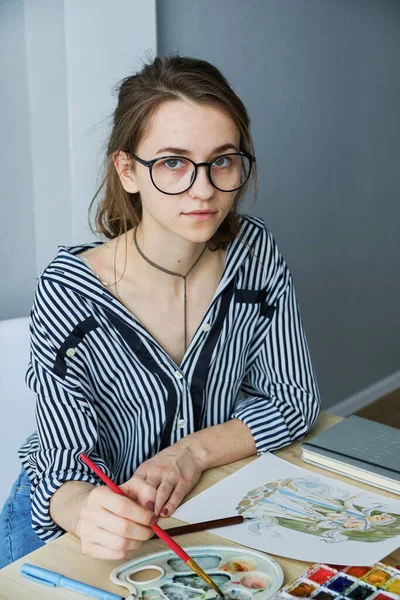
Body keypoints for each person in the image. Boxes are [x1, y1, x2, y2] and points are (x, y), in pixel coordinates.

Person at [0, 55, 320, 568]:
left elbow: (292, 402)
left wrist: (189, 454)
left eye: (223, 160)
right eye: (173, 161)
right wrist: (86, 511)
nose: (204, 188)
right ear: (128, 170)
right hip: (74, 526)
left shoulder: (256, 254)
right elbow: (62, 465)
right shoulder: (69, 290)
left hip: (192, 505)